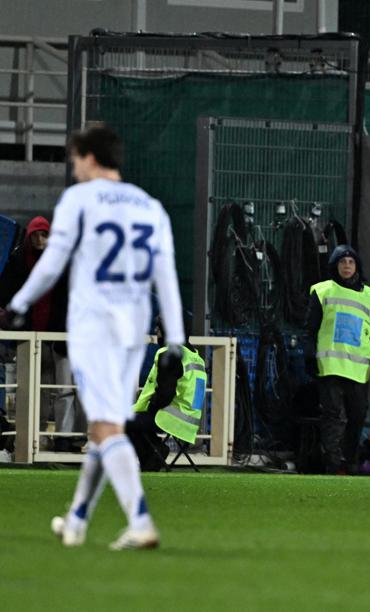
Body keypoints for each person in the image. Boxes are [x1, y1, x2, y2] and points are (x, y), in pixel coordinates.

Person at [6, 125, 185, 550]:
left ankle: (140, 519)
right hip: (134, 324)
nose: (73, 167)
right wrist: (174, 339)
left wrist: (19, 302)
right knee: (107, 427)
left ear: (88, 157)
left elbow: (51, 264)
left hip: (95, 323)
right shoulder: (150, 206)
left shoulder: (79, 200)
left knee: (106, 427)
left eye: (74, 158)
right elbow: (167, 277)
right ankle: (77, 519)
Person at [304, 244, 370, 474]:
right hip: (329, 366)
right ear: (335, 266)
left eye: (351, 262)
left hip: (358, 369)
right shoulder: (323, 291)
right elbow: (311, 328)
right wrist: (310, 355)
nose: (347, 266)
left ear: (357, 266)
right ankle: (332, 463)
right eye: (342, 262)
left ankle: (349, 459)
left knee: (357, 416)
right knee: (331, 416)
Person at [0, 216, 80, 451]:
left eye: (43, 234)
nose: (39, 239)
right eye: (36, 234)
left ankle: (63, 438)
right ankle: (38, 437)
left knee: (64, 389)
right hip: (29, 337)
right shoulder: (18, 260)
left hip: (58, 336)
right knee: (35, 390)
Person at [127, 316, 206, 472]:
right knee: (135, 420)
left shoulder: (170, 354)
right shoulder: (196, 357)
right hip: (190, 423)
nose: (156, 331)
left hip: (169, 418)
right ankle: (154, 453)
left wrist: (149, 407)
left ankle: (153, 453)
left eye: (159, 327)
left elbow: (164, 396)